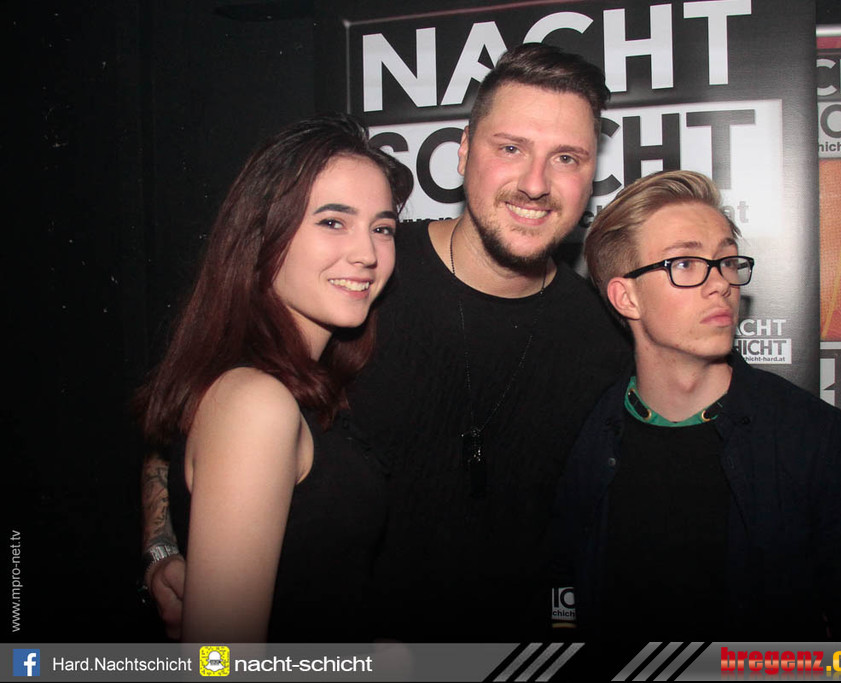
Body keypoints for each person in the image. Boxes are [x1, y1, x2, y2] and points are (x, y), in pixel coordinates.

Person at [141, 44, 631, 641]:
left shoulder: (607, 336)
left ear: (591, 174)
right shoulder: (355, 289)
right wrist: (164, 547)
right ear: (463, 153)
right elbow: (189, 424)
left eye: (566, 158)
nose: (535, 183)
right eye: (510, 148)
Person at [551, 170, 841, 640]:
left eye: (726, 261)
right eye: (685, 263)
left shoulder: (818, 440)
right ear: (626, 297)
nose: (720, 283)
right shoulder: (583, 438)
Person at [135, 113, 413, 642]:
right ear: (263, 236)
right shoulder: (256, 402)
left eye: (382, 228)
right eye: (332, 222)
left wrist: (161, 550)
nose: (366, 254)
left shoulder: (289, 381)